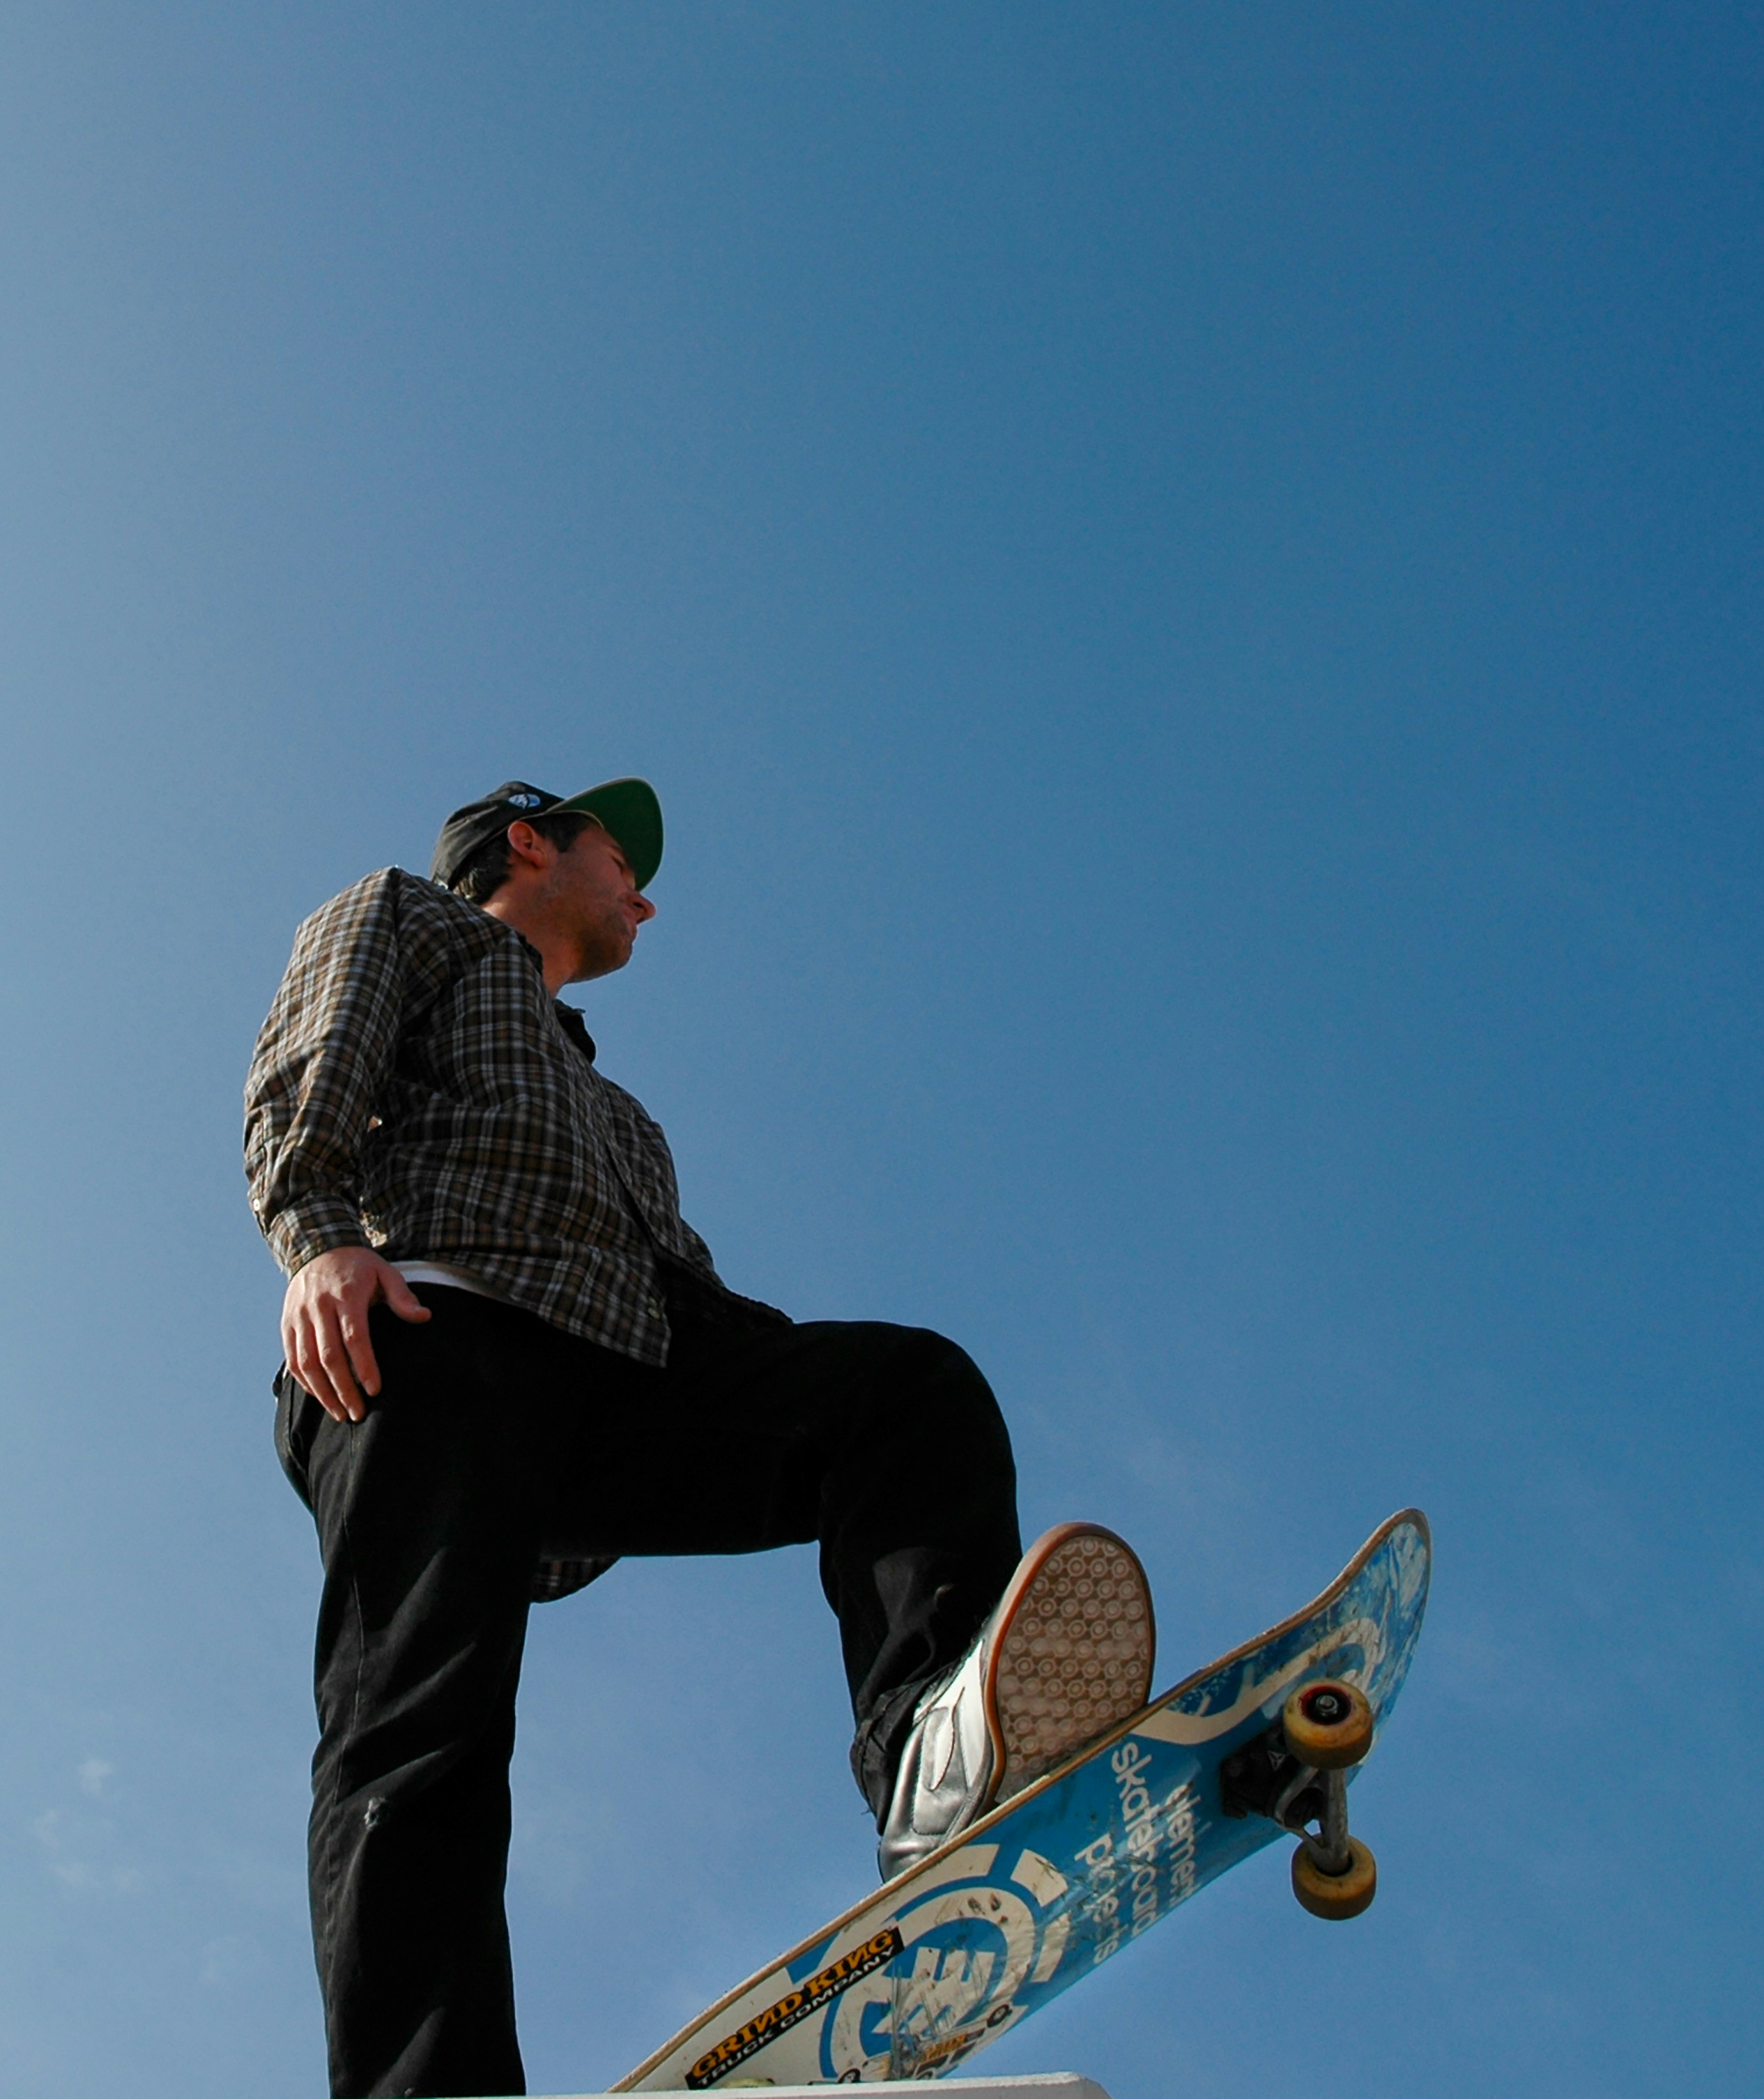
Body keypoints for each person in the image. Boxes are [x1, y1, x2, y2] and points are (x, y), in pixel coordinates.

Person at [245, 779, 1158, 2099]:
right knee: (417, 1737)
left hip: (620, 1382)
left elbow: (698, 1301)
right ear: (529, 844)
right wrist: (318, 1235)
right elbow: (312, 1052)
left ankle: (933, 1760)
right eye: (623, 863)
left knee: (904, 1390)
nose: (645, 896)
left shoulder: (617, 1111)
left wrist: (787, 1387)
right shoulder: (410, 920)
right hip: (429, 1340)